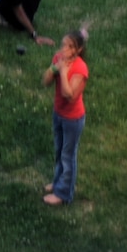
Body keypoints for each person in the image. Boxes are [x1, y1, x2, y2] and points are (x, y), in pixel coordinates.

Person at [41, 29, 90, 205]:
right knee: (59, 151)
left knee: (68, 156)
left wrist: (62, 72)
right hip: (58, 114)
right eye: (63, 44)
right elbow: (45, 81)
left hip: (73, 119)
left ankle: (64, 194)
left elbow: (69, 95)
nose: (64, 49)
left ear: (77, 50)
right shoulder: (58, 59)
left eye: (69, 47)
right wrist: (54, 67)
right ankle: (57, 182)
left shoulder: (80, 68)